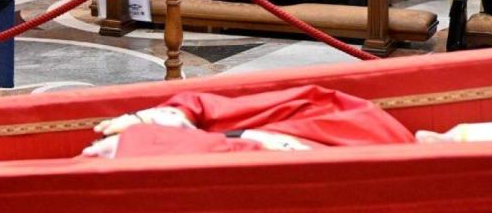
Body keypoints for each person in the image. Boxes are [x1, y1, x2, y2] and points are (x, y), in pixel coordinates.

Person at [81, 85, 414, 159]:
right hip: (166, 147)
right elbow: (292, 103)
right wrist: (170, 115)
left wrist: (150, 141)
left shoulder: (398, 162)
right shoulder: (371, 121)